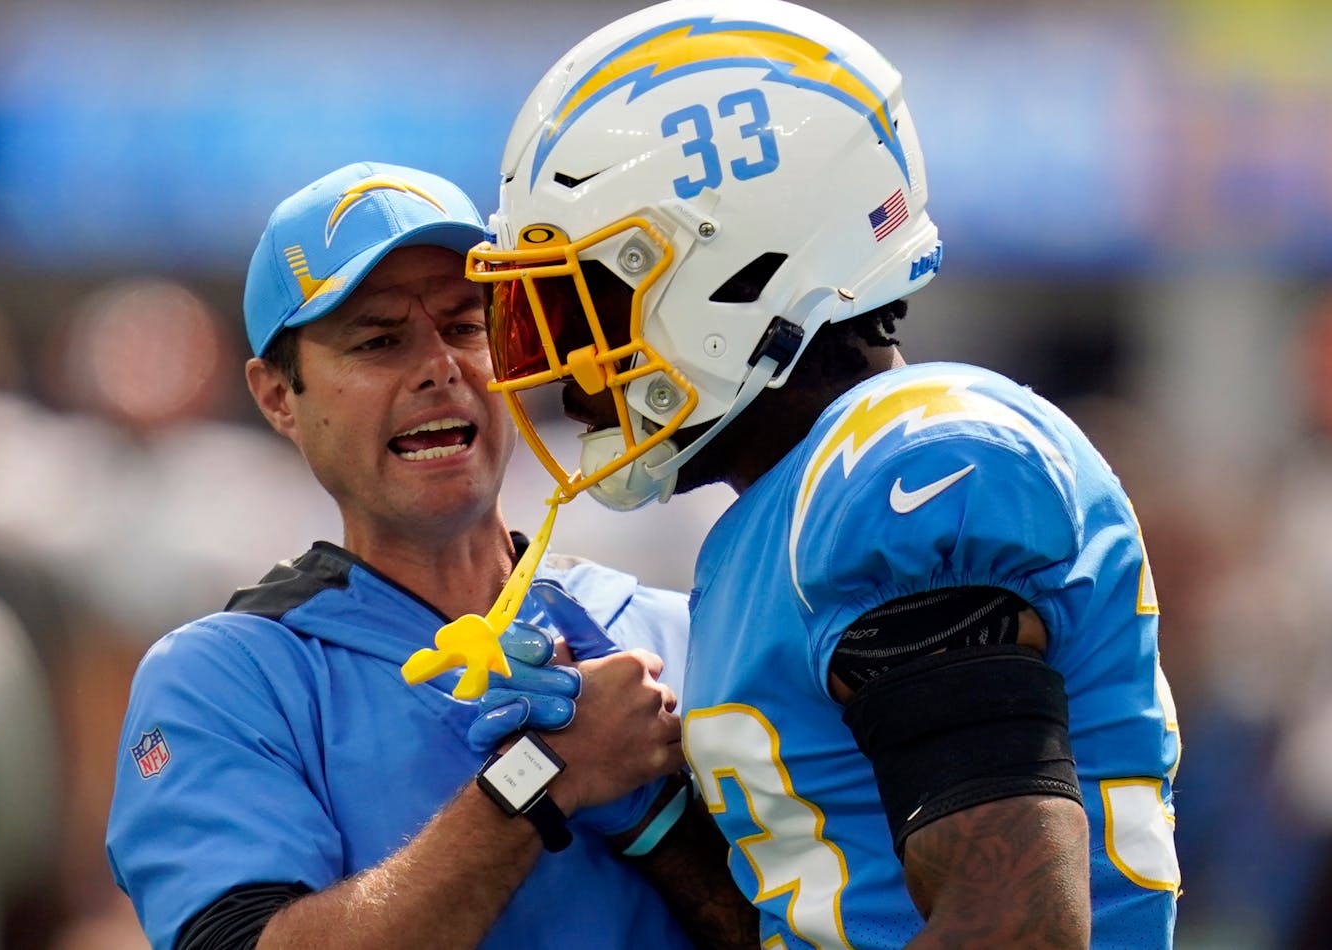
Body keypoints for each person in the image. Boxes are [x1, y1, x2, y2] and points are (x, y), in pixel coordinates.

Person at [452, 1, 1183, 945]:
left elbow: (1016, 927)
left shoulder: (908, 467)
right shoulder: (794, 506)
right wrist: (641, 810)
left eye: (588, 303)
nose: (565, 373)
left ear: (735, 275)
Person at [105, 161, 757, 950]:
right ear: (278, 395)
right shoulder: (225, 681)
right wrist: (542, 775)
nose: (441, 367)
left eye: (466, 325)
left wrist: (661, 820)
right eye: (379, 339)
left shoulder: (677, 629)